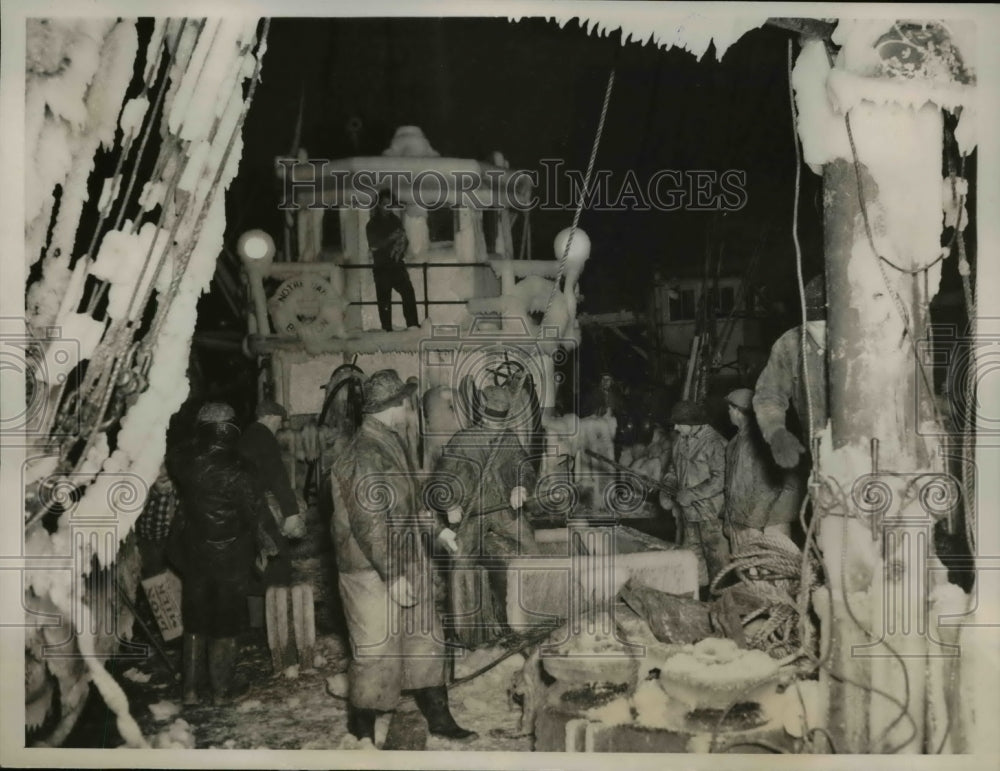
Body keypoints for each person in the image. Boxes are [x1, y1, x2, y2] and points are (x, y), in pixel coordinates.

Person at [330, 369, 476, 743]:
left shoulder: (392, 442)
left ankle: (440, 718)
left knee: (426, 638)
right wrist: (393, 575)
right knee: (375, 650)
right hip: (369, 568)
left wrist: (438, 530)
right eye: (405, 402)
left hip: (405, 557)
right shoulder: (363, 454)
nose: (409, 409)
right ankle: (361, 735)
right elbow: (369, 523)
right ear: (395, 404)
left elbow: (412, 502)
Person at [168, 402, 275, 706]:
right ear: (231, 428)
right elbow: (253, 513)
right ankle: (221, 691)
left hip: (194, 550)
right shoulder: (241, 468)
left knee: (195, 619)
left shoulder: (182, 460)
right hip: (231, 554)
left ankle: (189, 691)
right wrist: (266, 544)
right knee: (226, 621)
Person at [431, 385, 539, 648]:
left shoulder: (509, 439)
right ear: (481, 415)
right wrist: (449, 504)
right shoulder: (462, 441)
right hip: (473, 513)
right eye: (491, 422)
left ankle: (533, 616)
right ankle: (463, 632)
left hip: (503, 509)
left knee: (531, 549)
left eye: (499, 423)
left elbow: (525, 467)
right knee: (459, 560)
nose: (495, 427)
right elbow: (442, 479)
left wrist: (521, 487)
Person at [753, 275, 828, 470]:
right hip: (820, 455)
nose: (823, 336)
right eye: (815, 327)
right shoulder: (791, 344)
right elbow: (769, 395)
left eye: (829, 326)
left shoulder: (868, 342)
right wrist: (775, 431)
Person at [659, 400, 728, 590]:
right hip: (688, 513)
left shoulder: (715, 443)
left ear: (694, 423)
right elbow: (673, 469)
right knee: (690, 559)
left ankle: (719, 600)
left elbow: (721, 478)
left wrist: (692, 494)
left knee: (717, 563)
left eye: (679, 423)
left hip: (711, 515)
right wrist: (669, 484)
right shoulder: (680, 440)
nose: (675, 428)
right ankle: (695, 597)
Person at [723, 388, 803, 550]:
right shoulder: (736, 442)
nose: (728, 413)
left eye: (730, 409)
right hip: (746, 519)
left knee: (768, 563)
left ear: (738, 411)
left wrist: (754, 523)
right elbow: (734, 483)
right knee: (745, 562)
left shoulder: (763, 439)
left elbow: (770, 485)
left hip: (769, 521)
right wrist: (732, 519)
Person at [366, 191, 419, 331]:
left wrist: (403, 243)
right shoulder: (372, 224)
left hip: (397, 266)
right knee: (384, 301)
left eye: (390, 204)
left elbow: (404, 240)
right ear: (379, 204)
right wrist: (391, 238)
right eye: (384, 204)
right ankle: (387, 330)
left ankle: (413, 326)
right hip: (382, 267)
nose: (387, 207)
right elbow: (374, 245)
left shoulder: (395, 220)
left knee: (408, 292)